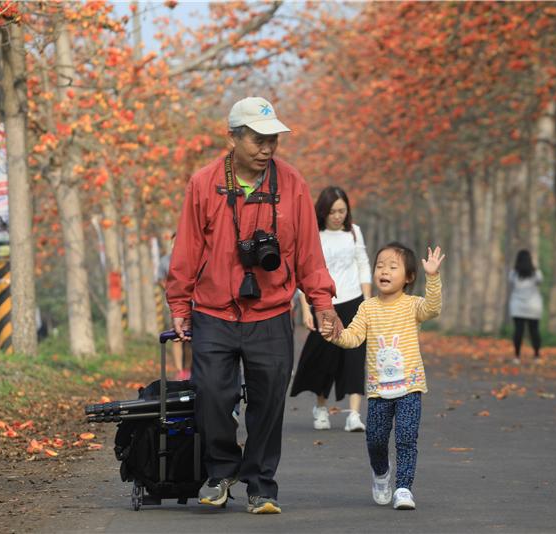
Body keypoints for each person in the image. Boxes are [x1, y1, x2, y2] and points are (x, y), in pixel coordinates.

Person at [165, 96, 342, 515]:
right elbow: (187, 248)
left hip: (271, 311)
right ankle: (221, 470)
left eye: (273, 140)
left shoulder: (292, 184)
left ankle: (261, 484)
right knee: (210, 392)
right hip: (213, 311)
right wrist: (179, 302)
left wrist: (322, 304)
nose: (267, 149)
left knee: (268, 399)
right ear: (233, 137)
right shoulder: (204, 183)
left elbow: (308, 252)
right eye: (258, 140)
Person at [321, 242, 444, 511]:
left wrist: (433, 276)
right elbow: (354, 337)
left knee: (406, 439)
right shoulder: (368, 308)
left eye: (392, 266)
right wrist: (336, 335)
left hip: (410, 386)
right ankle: (381, 472)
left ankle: (403, 488)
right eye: (379, 266)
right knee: (376, 440)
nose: (383, 271)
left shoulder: (413, 306)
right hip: (379, 390)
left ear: (409, 277)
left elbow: (433, 308)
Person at [290, 186, 372, 432]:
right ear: (323, 212)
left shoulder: (354, 233)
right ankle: (321, 407)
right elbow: (305, 273)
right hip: (324, 304)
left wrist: (367, 302)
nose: (338, 216)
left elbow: (363, 265)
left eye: (342, 211)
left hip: (353, 301)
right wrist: (306, 309)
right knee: (324, 360)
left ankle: (354, 415)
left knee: (355, 359)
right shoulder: (314, 235)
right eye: (333, 211)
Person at [157, 233, 188, 380]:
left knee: (189, 338)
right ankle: (179, 369)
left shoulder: (191, 259)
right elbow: (160, 279)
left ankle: (189, 368)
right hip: (173, 304)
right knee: (176, 336)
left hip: (191, 303)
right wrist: (171, 289)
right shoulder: (165, 261)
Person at [508, 249, 543, 364]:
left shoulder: (513, 273)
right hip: (533, 306)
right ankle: (537, 356)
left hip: (517, 306)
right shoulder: (536, 273)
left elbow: (511, 283)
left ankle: (517, 356)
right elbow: (540, 281)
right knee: (534, 331)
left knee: (519, 331)